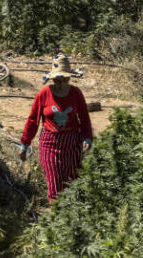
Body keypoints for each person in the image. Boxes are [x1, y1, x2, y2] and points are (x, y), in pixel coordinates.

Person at [19, 55, 93, 203]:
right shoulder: (43, 94)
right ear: (52, 79)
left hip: (72, 142)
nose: (60, 84)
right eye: (57, 80)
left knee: (72, 182)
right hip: (50, 143)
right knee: (55, 185)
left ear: (69, 78)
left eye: (64, 80)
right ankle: (56, 218)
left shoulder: (76, 93)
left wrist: (87, 138)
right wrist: (25, 144)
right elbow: (33, 120)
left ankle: (71, 218)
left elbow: (84, 117)